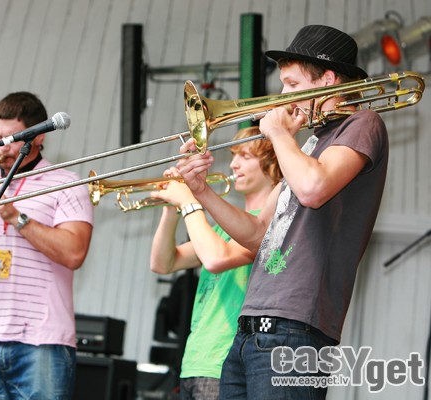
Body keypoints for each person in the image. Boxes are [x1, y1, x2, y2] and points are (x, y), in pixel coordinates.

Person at [175, 25, 388, 399]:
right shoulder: (309, 144)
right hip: (250, 329)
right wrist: (201, 191)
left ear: (327, 80)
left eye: (292, 84)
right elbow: (258, 233)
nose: (283, 96)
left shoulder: (362, 123)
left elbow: (313, 189)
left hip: (295, 328)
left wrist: (279, 135)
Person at [0, 91, 94, 400]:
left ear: (39, 137)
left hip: (42, 340)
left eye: (13, 138)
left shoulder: (67, 184)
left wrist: (15, 215)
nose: (2, 147)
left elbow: (74, 253)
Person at [149, 126, 282, 399]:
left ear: (272, 165)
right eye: (233, 156)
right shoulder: (222, 230)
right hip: (194, 362)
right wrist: (171, 209)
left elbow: (215, 258)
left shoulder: (270, 225)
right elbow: (163, 263)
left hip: (226, 363)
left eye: (245, 156)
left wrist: (189, 202)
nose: (233, 164)